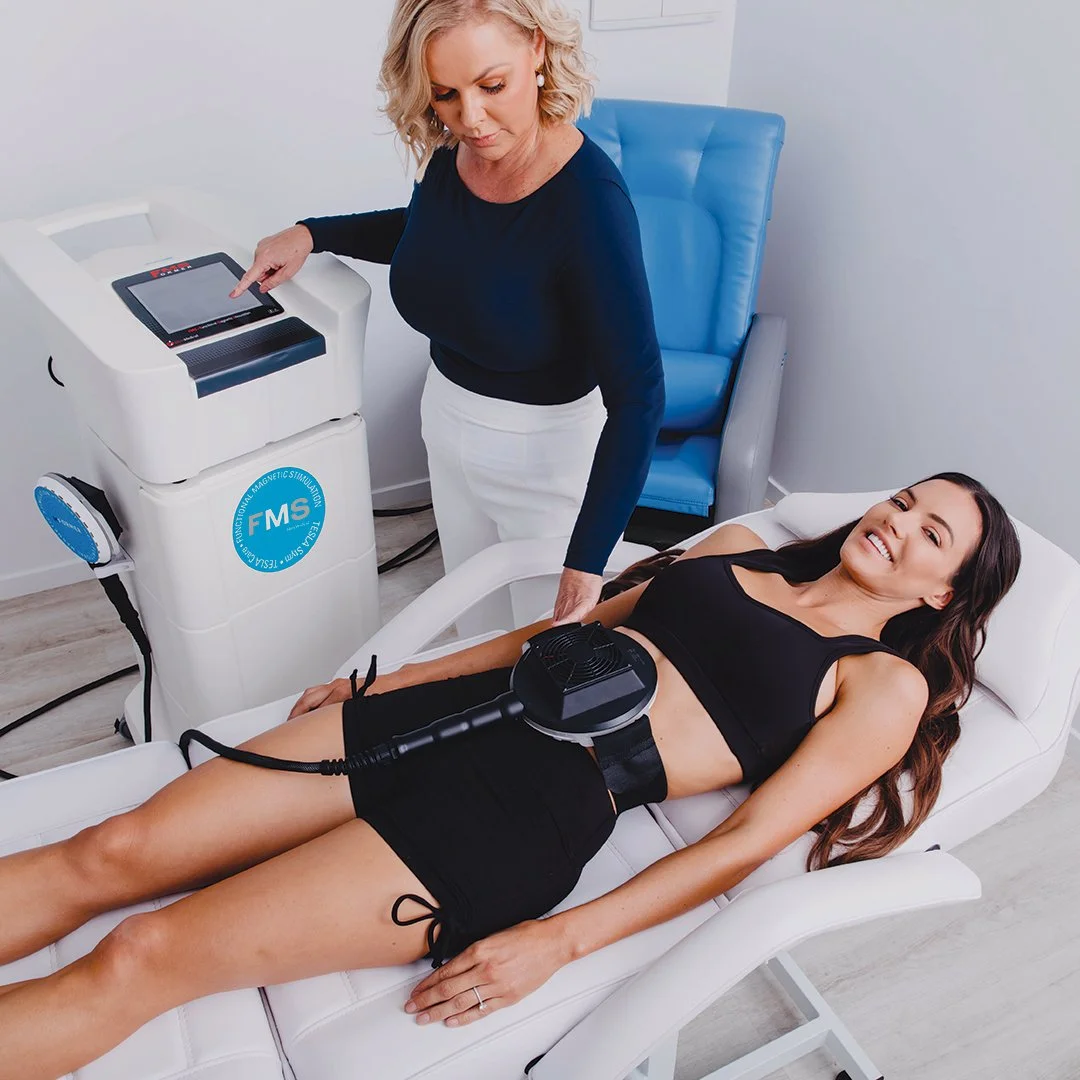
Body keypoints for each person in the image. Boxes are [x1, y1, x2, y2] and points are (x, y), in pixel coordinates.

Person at [0, 474, 1022, 1078]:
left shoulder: (881, 686)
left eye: (932, 534)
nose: (897, 520)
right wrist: (391, 677)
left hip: (526, 814)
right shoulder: (742, 548)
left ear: (943, 590)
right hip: (444, 716)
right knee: (114, 849)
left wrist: (557, 942)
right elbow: (555, 633)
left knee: (145, 951)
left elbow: (744, 845)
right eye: (904, 499)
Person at [231, 0, 665, 634]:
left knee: (538, 660)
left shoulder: (589, 205)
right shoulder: (452, 155)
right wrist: (312, 234)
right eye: (446, 95)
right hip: (450, 427)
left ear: (537, 51)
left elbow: (641, 396)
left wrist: (588, 559)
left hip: (545, 463)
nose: (473, 118)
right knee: (473, 633)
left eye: (493, 86)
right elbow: (439, 240)